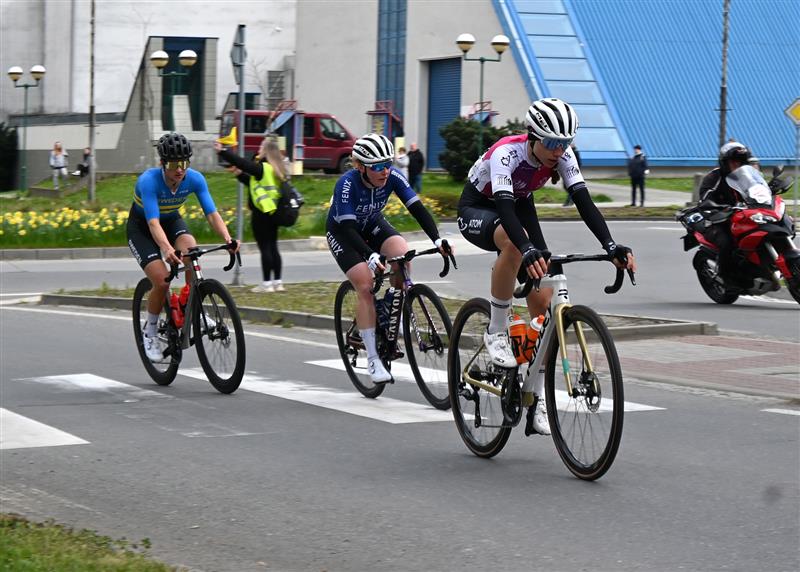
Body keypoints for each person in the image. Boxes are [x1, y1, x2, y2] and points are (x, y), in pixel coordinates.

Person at [456, 98, 636, 435]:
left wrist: (610, 246)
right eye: (552, 143)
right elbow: (505, 209)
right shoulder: (506, 153)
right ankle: (496, 328)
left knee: (544, 309)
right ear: (533, 137)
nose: (559, 150)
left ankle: (535, 399)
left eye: (566, 143)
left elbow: (584, 201)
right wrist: (525, 248)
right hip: (480, 208)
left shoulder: (564, 156)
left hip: (520, 205)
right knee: (516, 243)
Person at [326, 133, 451, 384]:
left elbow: (417, 208)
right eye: (378, 166)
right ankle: (373, 358)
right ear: (360, 166)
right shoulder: (347, 184)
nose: (385, 171)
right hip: (344, 233)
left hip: (372, 225)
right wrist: (369, 255)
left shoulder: (392, 177)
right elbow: (349, 230)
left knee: (402, 253)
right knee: (364, 284)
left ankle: (390, 309)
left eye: (389, 164)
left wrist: (437, 240)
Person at [127, 132, 238, 362]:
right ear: (162, 163)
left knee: (192, 251)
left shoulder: (195, 179)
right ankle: (150, 331)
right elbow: (152, 222)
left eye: (184, 163)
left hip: (171, 220)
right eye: (174, 164)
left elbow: (212, 213)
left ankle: (192, 308)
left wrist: (228, 239)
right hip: (142, 228)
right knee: (161, 279)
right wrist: (167, 249)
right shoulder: (148, 181)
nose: (180, 169)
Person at [215, 137, 288, 293]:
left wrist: (223, 151)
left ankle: (267, 284)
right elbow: (254, 183)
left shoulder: (262, 168)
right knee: (273, 247)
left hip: (261, 214)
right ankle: (278, 283)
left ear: (266, 151)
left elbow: (243, 163)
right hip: (273, 212)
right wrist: (239, 174)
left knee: (265, 248)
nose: (259, 149)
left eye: (261, 147)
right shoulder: (276, 169)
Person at [697, 141, 752, 287]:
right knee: (727, 243)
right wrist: (718, 206)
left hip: (741, 217)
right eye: (733, 162)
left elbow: (759, 189)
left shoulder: (746, 177)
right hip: (717, 220)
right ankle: (726, 276)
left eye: (740, 162)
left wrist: (770, 190)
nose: (737, 165)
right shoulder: (714, 177)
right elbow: (705, 198)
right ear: (725, 162)